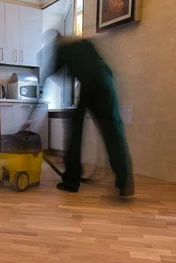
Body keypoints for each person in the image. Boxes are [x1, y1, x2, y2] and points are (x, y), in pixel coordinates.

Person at [38, 30, 134, 197]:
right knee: (113, 132)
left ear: (55, 39)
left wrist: (36, 100)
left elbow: (49, 73)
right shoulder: (83, 43)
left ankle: (71, 181)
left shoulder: (62, 47)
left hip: (89, 85)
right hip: (107, 84)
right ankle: (124, 181)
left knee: (75, 132)